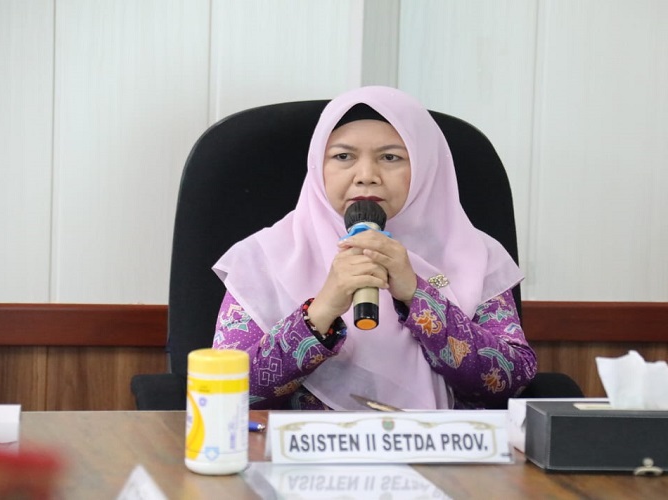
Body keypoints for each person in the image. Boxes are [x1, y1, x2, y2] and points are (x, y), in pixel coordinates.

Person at [212, 86, 536, 410]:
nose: (366, 176)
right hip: (304, 442)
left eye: (390, 157)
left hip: (444, 441)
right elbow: (225, 393)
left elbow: (511, 382)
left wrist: (418, 297)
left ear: (425, 166)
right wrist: (320, 311)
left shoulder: (475, 254)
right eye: (343, 157)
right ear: (317, 167)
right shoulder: (263, 257)